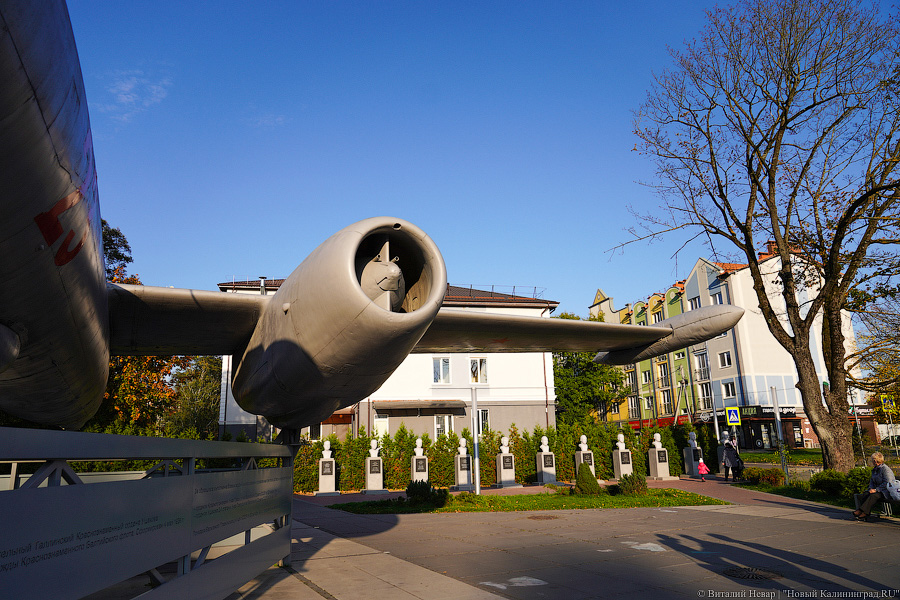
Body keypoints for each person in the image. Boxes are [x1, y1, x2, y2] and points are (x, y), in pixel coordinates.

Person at [852, 451, 897, 521]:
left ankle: (861, 511)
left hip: (886, 491)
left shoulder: (885, 469)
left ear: (876, 460)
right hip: (878, 490)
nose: (872, 461)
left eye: (873, 459)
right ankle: (865, 512)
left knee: (874, 496)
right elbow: (872, 481)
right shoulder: (875, 469)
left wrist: (876, 490)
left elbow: (888, 482)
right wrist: (871, 488)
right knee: (866, 493)